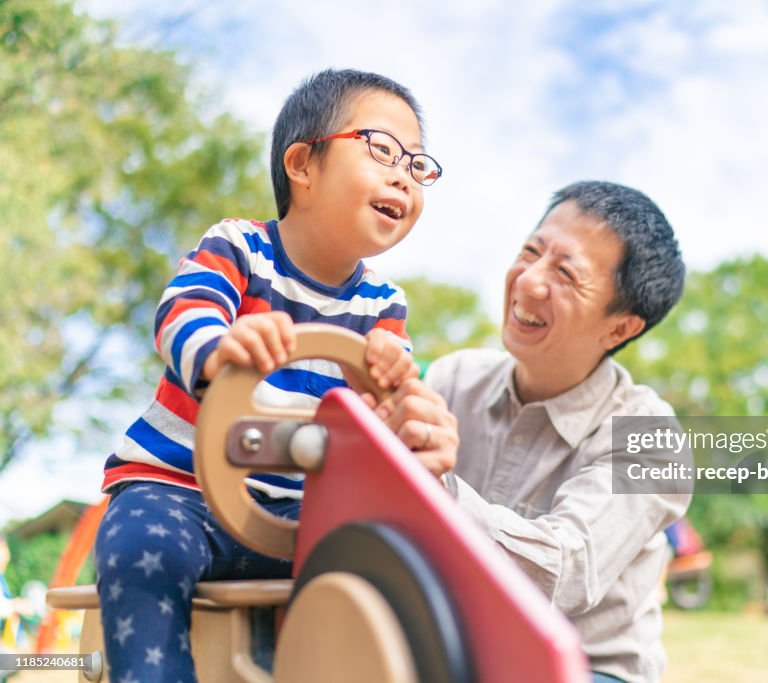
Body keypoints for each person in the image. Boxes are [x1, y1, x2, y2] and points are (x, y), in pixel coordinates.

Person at [94, 67, 444, 683]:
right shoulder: (239, 248)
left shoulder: (384, 305)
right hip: (182, 490)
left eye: (418, 164)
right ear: (303, 165)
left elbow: (386, 416)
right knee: (138, 553)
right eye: (383, 149)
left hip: (300, 518)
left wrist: (388, 388)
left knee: (386, 577)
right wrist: (222, 347)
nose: (402, 175)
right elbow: (183, 311)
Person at [371, 180, 690, 683]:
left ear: (620, 328)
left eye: (565, 273)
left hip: (587, 671)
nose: (529, 282)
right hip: (463, 651)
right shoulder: (455, 379)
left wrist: (433, 490)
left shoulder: (649, 436)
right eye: (530, 251)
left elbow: (562, 572)